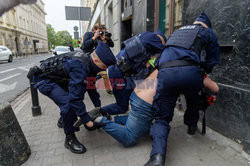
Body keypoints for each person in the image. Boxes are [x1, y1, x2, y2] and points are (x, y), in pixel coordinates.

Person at [145, 13, 220, 166]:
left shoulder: (176, 33)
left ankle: (157, 157)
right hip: (190, 73)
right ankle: (191, 126)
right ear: (206, 25)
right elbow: (212, 58)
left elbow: (160, 58)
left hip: (165, 73)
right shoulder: (206, 32)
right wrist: (203, 70)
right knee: (193, 99)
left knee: (162, 118)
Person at [27, 41, 116, 154]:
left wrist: (98, 109)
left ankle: (63, 120)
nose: (103, 70)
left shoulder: (91, 65)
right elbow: (75, 99)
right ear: (96, 60)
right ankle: (69, 138)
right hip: (45, 80)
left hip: (59, 79)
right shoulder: (81, 67)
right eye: (103, 67)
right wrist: (87, 120)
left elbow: (92, 90)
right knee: (69, 104)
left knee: (72, 98)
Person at [89, 70, 218, 147]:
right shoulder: (194, 71)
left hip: (138, 93)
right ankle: (101, 121)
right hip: (144, 104)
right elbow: (215, 88)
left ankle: (112, 118)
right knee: (129, 139)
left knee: (144, 125)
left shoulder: (169, 57)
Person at [100, 30, 167, 116]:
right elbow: (166, 52)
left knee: (135, 96)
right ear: (162, 40)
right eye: (163, 43)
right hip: (119, 73)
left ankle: (134, 119)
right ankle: (98, 114)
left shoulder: (145, 35)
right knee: (122, 107)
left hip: (120, 70)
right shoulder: (155, 39)